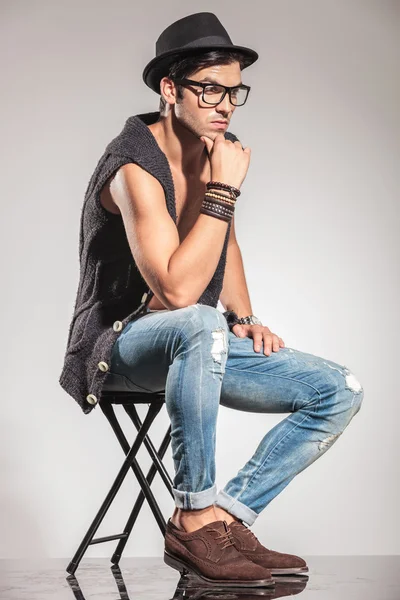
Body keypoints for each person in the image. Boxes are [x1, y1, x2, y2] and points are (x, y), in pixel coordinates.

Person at [60, 12, 364, 589]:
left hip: (193, 345)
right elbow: (175, 291)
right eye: (210, 90)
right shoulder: (133, 166)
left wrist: (245, 318)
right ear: (169, 90)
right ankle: (193, 516)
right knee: (198, 317)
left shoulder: (209, 149)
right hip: (116, 345)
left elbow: (225, 241)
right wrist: (224, 187)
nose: (225, 105)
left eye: (235, 91)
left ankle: (226, 519)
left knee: (338, 390)